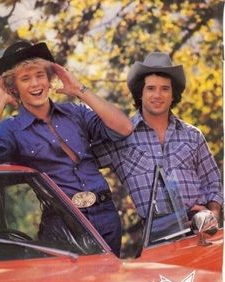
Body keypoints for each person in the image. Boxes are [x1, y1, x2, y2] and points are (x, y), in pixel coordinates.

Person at [0, 41, 134, 257]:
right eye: (25, 78)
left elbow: (124, 128)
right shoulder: (11, 129)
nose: (35, 84)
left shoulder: (75, 113)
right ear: (14, 88)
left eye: (40, 75)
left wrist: (79, 90)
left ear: (49, 79)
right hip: (63, 225)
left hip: (106, 216)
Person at [93, 51, 223, 249]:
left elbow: (212, 180)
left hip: (203, 234)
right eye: (151, 88)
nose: (157, 95)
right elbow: (81, 161)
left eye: (165, 89)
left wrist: (212, 215)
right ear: (140, 93)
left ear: (173, 95)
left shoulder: (192, 135)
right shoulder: (122, 138)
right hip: (158, 239)